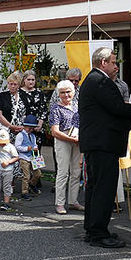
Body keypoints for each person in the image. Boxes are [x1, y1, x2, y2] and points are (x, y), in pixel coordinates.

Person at [78, 47, 131, 248]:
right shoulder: (100, 81)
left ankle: (93, 227)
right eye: (114, 62)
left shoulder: (95, 80)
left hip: (99, 143)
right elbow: (117, 108)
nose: (116, 66)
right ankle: (98, 232)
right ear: (103, 63)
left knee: (95, 187)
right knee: (103, 188)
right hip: (103, 143)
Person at [49, 80, 82, 215]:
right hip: (63, 140)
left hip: (77, 140)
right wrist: (71, 139)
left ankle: (73, 201)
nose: (66, 95)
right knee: (63, 173)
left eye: (68, 92)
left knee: (76, 172)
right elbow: (54, 132)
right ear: (59, 94)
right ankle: (60, 203)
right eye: (62, 92)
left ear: (73, 92)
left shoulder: (77, 106)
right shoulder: (56, 109)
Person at [0, 128, 20, 209]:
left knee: (6, 186)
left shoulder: (10, 147)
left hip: (8, 169)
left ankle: (6, 202)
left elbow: (16, 157)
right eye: (0, 143)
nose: (2, 145)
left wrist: (8, 162)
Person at [15, 115, 43, 200]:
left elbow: (34, 144)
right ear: (24, 126)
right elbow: (17, 146)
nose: (30, 130)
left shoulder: (33, 136)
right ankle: (24, 192)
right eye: (29, 128)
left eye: (32, 128)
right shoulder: (20, 135)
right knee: (26, 175)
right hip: (24, 157)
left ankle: (32, 184)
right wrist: (26, 148)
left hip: (33, 156)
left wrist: (35, 148)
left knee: (38, 174)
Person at [0, 72, 26, 139]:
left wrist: (23, 127)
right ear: (8, 84)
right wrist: (11, 126)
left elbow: (27, 113)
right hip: (6, 130)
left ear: (18, 85)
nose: (13, 86)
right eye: (11, 84)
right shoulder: (2, 96)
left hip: (21, 131)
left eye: (15, 84)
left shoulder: (24, 96)